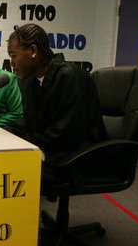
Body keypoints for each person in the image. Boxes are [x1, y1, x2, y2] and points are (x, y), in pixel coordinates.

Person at [6, 23, 107, 167]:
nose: (11, 63)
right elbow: (31, 123)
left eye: (14, 56)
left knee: (14, 167)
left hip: (78, 157)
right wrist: (2, 130)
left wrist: (22, 141)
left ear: (33, 51)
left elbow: (64, 135)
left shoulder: (71, 77)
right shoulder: (32, 81)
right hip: (53, 149)